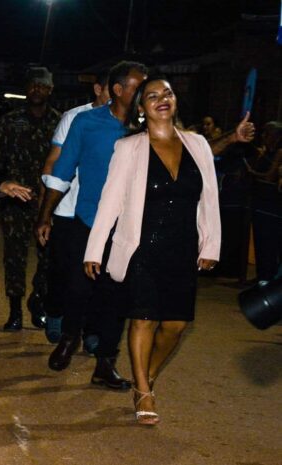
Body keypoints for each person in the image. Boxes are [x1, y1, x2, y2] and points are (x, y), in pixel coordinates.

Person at [83, 77, 221, 425]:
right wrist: (94, 250)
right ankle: (144, 391)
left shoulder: (198, 144)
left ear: (175, 101)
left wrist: (211, 243)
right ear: (141, 108)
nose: (162, 99)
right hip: (142, 248)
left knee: (176, 325)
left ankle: (148, 375)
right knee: (143, 317)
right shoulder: (129, 147)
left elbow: (210, 198)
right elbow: (110, 202)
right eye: (152, 96)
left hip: (183, 247)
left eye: (167, 93)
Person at [37, 61, 147, 390]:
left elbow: (187, 151)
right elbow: (62, 171)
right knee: (78, 287)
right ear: (118, 89)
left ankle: (105, 364)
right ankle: (70, 336)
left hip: (129, 229)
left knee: (117, 297)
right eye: (137, 87)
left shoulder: (148, 129)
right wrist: (45, 215)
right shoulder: (86, 122)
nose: (144, 93)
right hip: (89, 222)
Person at [0, 67, 60, 331]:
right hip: (15, 201)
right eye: (33, 85)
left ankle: (37, 298)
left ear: (50, 89)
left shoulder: (61, 123)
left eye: (42, 85)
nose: (37, 90)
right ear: (26, 88)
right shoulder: (10, 121)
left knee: (49, 257)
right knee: (14, 258)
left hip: (49, 202)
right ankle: (15, 311)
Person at [39, 71, 110, 345]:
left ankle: (91, 329)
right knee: (63, 270)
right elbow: (54, 161)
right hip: (67, 208)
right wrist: (45, 212)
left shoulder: (127, 123)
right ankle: (55, 312)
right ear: (99, 89)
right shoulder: (75, 117)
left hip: (103, 212)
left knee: (100, 274)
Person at [248, 121, 282, 284]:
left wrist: (253, 173)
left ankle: (269, 278)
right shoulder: (265, 152)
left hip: (273, 205)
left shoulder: (280, 152)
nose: (263, 137)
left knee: (270, 243)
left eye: (267, 134)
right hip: (259, 202)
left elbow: (269, 176)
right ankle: (261, 275)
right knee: (260, 241)